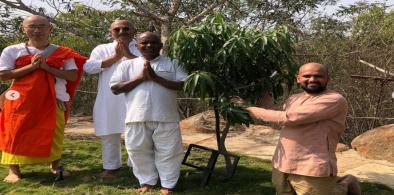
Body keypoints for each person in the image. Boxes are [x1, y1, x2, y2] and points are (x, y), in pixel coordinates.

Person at [246, 62, 361, 195]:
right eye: (307, 76)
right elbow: (274, 111)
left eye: (318, 76)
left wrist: (249, 110)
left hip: (312, 165)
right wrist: (262, 90)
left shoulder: (334, 100)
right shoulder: (294, 98)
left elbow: (290, 118)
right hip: (283, 162)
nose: (312, 79)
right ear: (298, 78)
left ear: (328, 78)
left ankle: (345, 184)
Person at [0, 15, 86, 183]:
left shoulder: (62, 52)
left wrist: (46, 67)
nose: (37, 30)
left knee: (54, 132)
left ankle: (54, 167)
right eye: (32, 26)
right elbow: (3, 75)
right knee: (15, 132)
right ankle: (14, 170)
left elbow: (72, 74)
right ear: (23, 29)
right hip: (20, 100)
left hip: (54, 99)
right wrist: (31, 67)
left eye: (41, 26)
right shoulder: (12, 50)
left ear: (50, 29)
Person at [110, 32, 187, 195]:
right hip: (136, 117)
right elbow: (115, 88)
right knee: (138, 151)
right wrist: (141, 78)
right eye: (144, 43)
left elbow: (182, 84)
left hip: (166, 117)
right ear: (137, 46)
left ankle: (168, 184)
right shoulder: (126, 65)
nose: (149, 46)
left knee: (169, 152)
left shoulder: (172, 63)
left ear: (160, 46)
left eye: (153, 43)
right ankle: (146, 181)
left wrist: (155, 78)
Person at [84, 19, 141, 177]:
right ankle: (111, 167)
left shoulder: (142, 46)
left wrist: (127, 55)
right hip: (109, 98)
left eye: (126, 28)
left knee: (136, 133)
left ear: (134, 31)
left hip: (136, 98)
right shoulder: (102, 48)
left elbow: (147, 65)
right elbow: (89, 68)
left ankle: (136, 167)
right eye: (117, 29)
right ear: (111, 32)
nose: (122, 32)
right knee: (109, 133)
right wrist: (115, 57)